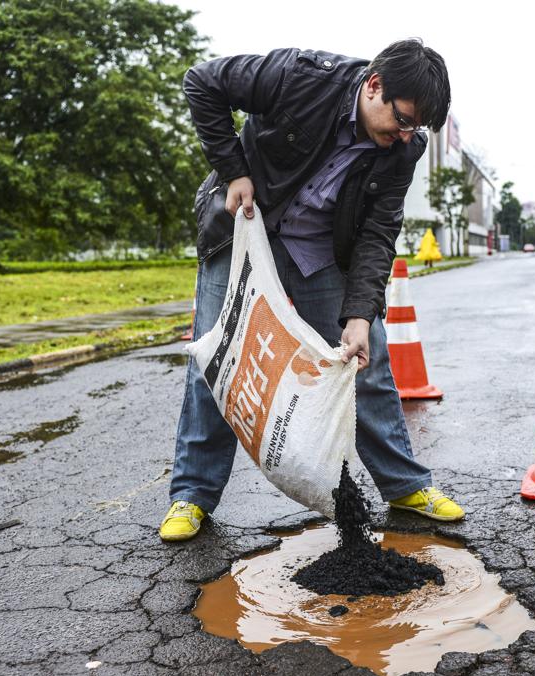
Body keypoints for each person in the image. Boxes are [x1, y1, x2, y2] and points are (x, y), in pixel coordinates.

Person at [160, 39, 465, 542]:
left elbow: (378, 230)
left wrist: (360, 316)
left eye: (416, 127)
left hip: (318, 249)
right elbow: (203, 81)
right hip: (244, 228)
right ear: (374, 86)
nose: (406, 134)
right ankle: (191, 496)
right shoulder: (301, 76)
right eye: (403, 119)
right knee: (216, 358)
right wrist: (235, 171)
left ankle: (404, 485)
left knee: (363, 360)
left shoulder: (404, 148)